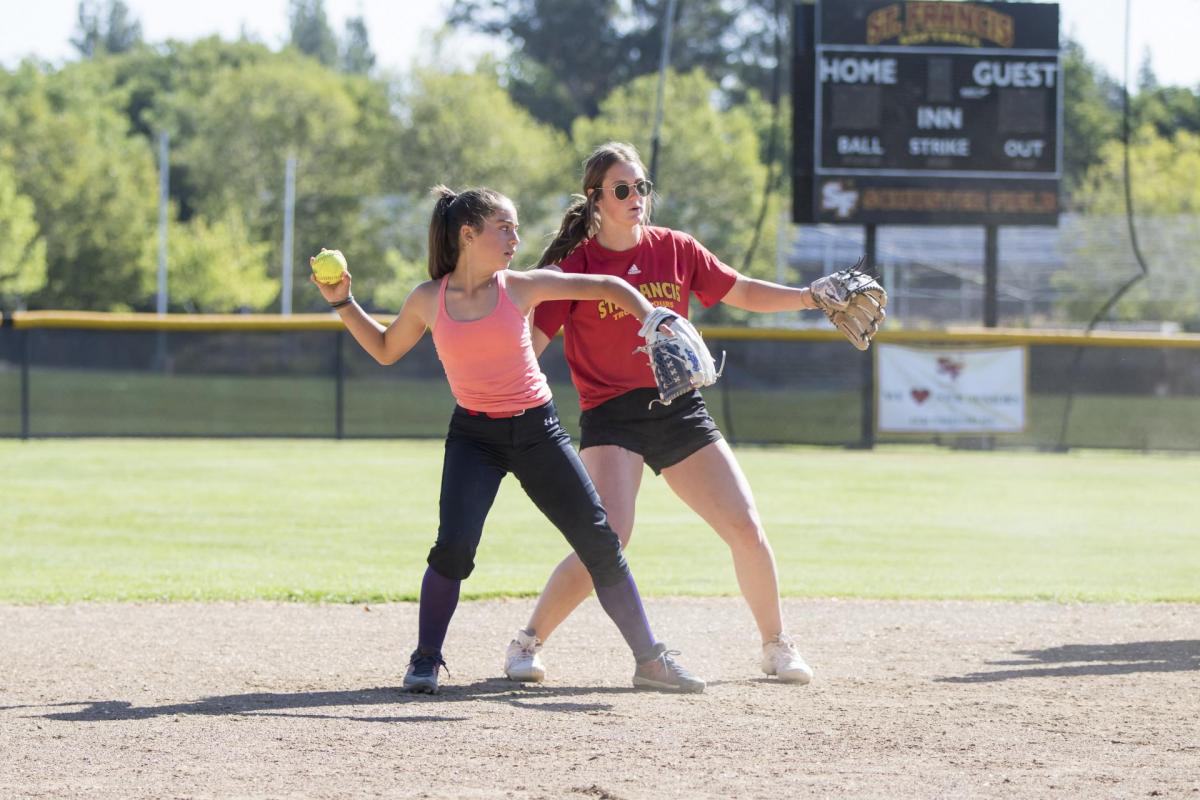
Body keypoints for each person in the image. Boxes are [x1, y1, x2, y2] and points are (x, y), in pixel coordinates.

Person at [310, 184, 705, 695]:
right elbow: (386, 349)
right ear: (468, 234)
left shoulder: (518, 287)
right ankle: (426, 658)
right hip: (475, 436)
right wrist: (343, 302)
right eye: (505, 227)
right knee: (453, 548)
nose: (516, 237)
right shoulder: (430, 299)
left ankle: (650, 661)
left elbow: (606, 285)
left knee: (600, 543)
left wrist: (650, 315)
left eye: (516, 227)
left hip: (537, 429)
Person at [504, 142, 827, 686]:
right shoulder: (576, 268)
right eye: (622, 190)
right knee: (610, 536)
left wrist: (809, 296)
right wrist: (502, 397)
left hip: (679, 408)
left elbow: (740, 289)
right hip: (611, 416)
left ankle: (776, 646)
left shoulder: (675, 249)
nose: (635, 198)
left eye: (641, 188)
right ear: (596, 200)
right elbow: (530, 344)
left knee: (745, 527)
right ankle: (527, 642)